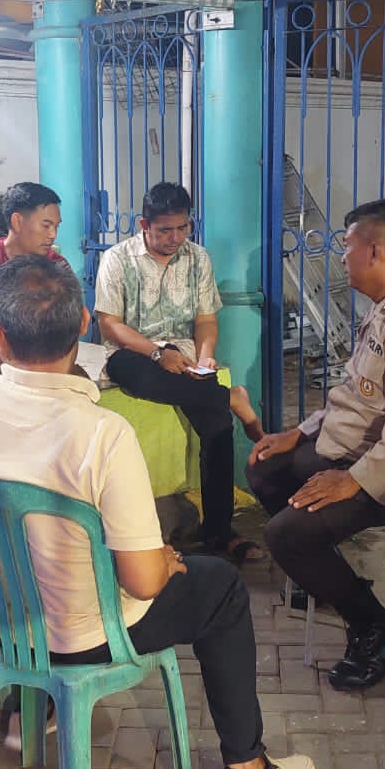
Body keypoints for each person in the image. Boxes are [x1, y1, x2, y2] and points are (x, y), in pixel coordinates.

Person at [0, 255, 315, 769]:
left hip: (1, 626)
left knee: (33, 561)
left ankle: (29, 709)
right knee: (221, 589)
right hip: (84, 636)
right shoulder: (104, 433)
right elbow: (142, 581)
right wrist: (164, 562)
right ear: (84, 323)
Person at [247, 199, 385, 692]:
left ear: (375, 250)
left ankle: (376, 631)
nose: (341, 258)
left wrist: (354, 481)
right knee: (264, 468)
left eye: (347, 247)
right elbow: (353, 396)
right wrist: (299, 433)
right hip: (343, 452)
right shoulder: (383, 312)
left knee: (285, 535)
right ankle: (323, 575)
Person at [94, 182, 263, 563]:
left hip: (185, 358)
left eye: (183, 228)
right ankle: (230, 396)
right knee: (138, 373)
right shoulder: (118, 259)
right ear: (144, 225)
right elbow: (110, 324)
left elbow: (205, 320)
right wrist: (157, 354)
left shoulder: (198, 258)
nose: (175, 238)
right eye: (165, 230)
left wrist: (205, 358)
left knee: (217, 427)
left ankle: (219, 531)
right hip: (135, 353)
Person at [0, 182, 71, 378]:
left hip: (47, 362)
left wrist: (57, 371)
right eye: (46, 225)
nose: (53, 235)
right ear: (17, 221)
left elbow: (69, 333)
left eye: (56, 226)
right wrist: (24, 372)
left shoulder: (58, 266)